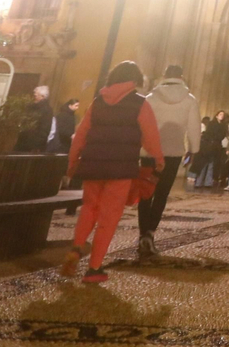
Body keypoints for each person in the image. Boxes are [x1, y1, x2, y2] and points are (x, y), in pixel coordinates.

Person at [60, 61, 163, 284]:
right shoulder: (140, 104)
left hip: (93, 165)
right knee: (109, 216)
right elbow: (151, 136)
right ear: (135, 81)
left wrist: (73, 161)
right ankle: (94, 268)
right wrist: (159, 160)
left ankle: (77, 248)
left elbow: (81, 135)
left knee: (89, 207)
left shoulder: (98, 102)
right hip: (121, 168)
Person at [138, 65, 199, 258]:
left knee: (146, 193)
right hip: (172, 153)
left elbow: (139, 124)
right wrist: (193, 150)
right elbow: (194, 128)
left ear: (164, 76)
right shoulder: (189, 100)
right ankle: (150, 233)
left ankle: (142, 234)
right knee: (162, 194)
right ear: (182, 76)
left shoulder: (150, 98)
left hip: (149, 152)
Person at [15, 85, 55, 152]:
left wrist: (37, 145)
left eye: (36, 96)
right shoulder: (33, 107)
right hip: (25, 141)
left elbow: (44, 129)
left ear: (42, 96)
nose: (34, 97)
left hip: (32, 145)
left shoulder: (46, 110)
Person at [195, 112, 226, 188]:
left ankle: (208, 183)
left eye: (223, 115)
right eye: (220, 114)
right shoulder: (211, 124)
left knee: (211, 165)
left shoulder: (223, 126)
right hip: (209, 145)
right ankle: (198, 182)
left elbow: (222, 135)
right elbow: (209, 134)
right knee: (204, 164)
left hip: (216, 147)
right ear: (216, 115)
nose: (222, 116)